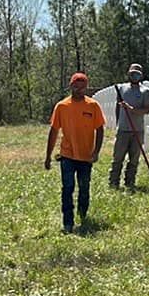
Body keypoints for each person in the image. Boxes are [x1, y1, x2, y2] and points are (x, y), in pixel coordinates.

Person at [44, 72, 105, 232]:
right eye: (75, 86)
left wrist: (96, 152)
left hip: (86, 156)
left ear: (86, 88)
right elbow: (54, 131)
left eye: (82, 87)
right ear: (71, 86)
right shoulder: (62, 106)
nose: (78, 89)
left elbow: (99, 129)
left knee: (84, 188)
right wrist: (48, 156)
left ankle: (83, 215)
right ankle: (68, 223)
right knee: (67, 188)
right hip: (67, 155)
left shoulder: (93, 106)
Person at [109, 63, 149, 189]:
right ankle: (113, 183)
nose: (134, 76)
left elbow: (146, 110)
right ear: (128, 74)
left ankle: (130, 182)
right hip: (123, 129)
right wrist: (118, 122)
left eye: (137, 74)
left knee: (134, 159)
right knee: (118, 158)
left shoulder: (146, 92)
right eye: (132, 73)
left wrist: (130, 109)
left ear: (141, 76)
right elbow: (117, 107)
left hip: (137, 130)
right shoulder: (121, 89)